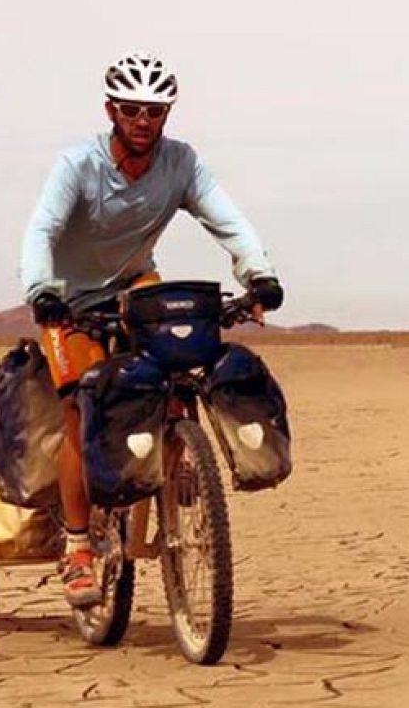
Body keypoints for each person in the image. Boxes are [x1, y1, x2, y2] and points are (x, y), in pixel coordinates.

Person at [19, 51, 284, 609]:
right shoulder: (78, 166)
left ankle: (178, 473)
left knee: (175, 370)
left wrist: (257, 273)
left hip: (136, 285)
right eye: (134, 110)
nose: (145, 121)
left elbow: (226, 218)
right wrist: (42, 292)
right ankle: (77, 548)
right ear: (112, 110)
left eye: (156, 111)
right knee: (79, 408)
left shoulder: (180, 164)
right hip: (70, 299)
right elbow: (42, 228)